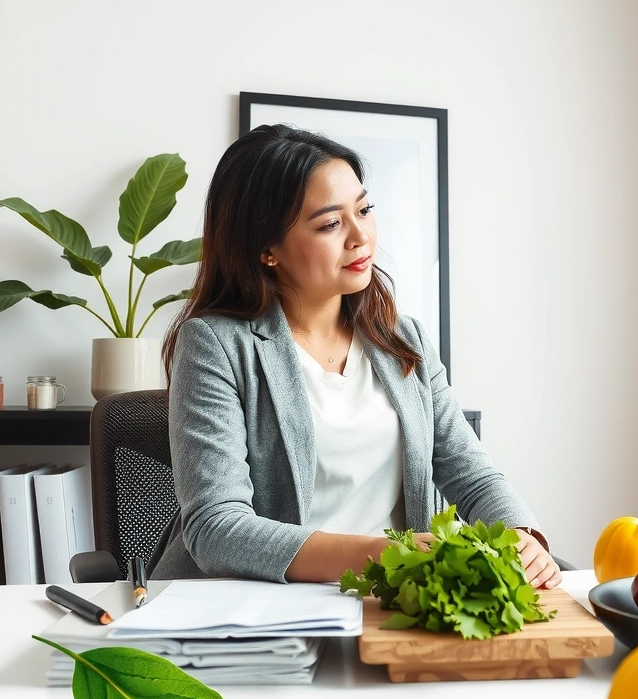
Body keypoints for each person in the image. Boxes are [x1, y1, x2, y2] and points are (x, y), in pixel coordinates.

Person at [150, 124, 560, 589]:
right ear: (267, 249)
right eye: (330, 224)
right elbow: (217, 529)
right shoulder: (216, 344)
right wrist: (385, 555)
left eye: (364, 209)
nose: (361, 236)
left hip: (391, 599)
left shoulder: (405, 340)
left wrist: (522, 535)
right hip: (269, 608)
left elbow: (471, 473)